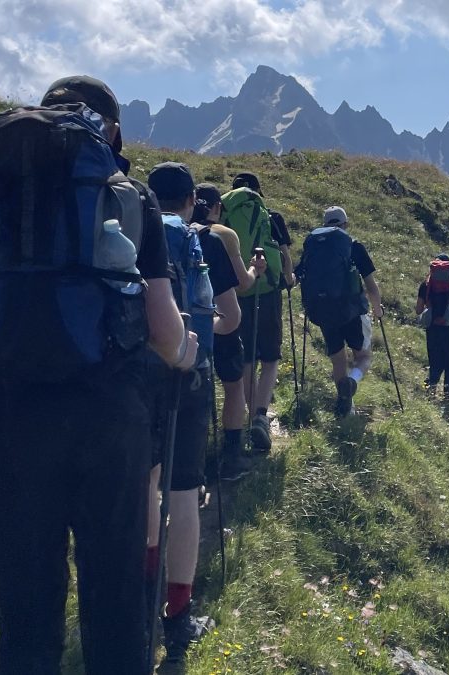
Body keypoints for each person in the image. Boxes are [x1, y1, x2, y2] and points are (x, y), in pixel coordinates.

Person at [0, 75, 198, 675]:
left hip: (7, 419)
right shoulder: (127, 196)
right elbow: (165, 333)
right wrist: (187, 355)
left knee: (24, 611)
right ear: (111, 130)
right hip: (107, 420)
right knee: (116, 598)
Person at [144, 162, 243, 663]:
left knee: (146, 485)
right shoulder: (192, 238)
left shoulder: (126, 225)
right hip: (186, 375)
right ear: (190, 201)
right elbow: (225, 323)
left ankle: (140, 594)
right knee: (182, 495)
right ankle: (177, 612)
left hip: (133, 378)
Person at [189, 183, 266, 481]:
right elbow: (242, 285)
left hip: (179, 326)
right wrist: (254, 270)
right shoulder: (223, 235)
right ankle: (231, 455)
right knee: (233, 386)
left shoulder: (168, 230)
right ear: (217, 207)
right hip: (219, 324)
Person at [222, 172, 295, 453]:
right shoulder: (270, 215)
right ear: (258, 191)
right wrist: (288, 277)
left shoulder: (225, 218)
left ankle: (251, 414)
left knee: (247, 360)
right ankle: (261, 417)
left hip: (235, 293)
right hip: (267, 292)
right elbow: (285, 255)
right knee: (271, 356)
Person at [296, 206, 383, 417]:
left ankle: (346, 407)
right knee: (363, 357)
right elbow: (370, 284)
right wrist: (378, 308)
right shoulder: (354, 246)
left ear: (324, 225)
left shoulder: (314, 247)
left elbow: (298, 275)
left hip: (324, 311)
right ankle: (352, 381)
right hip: (353, 310)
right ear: (346, 225)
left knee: (338, 360)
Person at [415, 254, 449, 395]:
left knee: (434, 360)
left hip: (432, 330)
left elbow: (418, 310)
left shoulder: (425, 285)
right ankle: (448, 395)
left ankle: (431, 389)